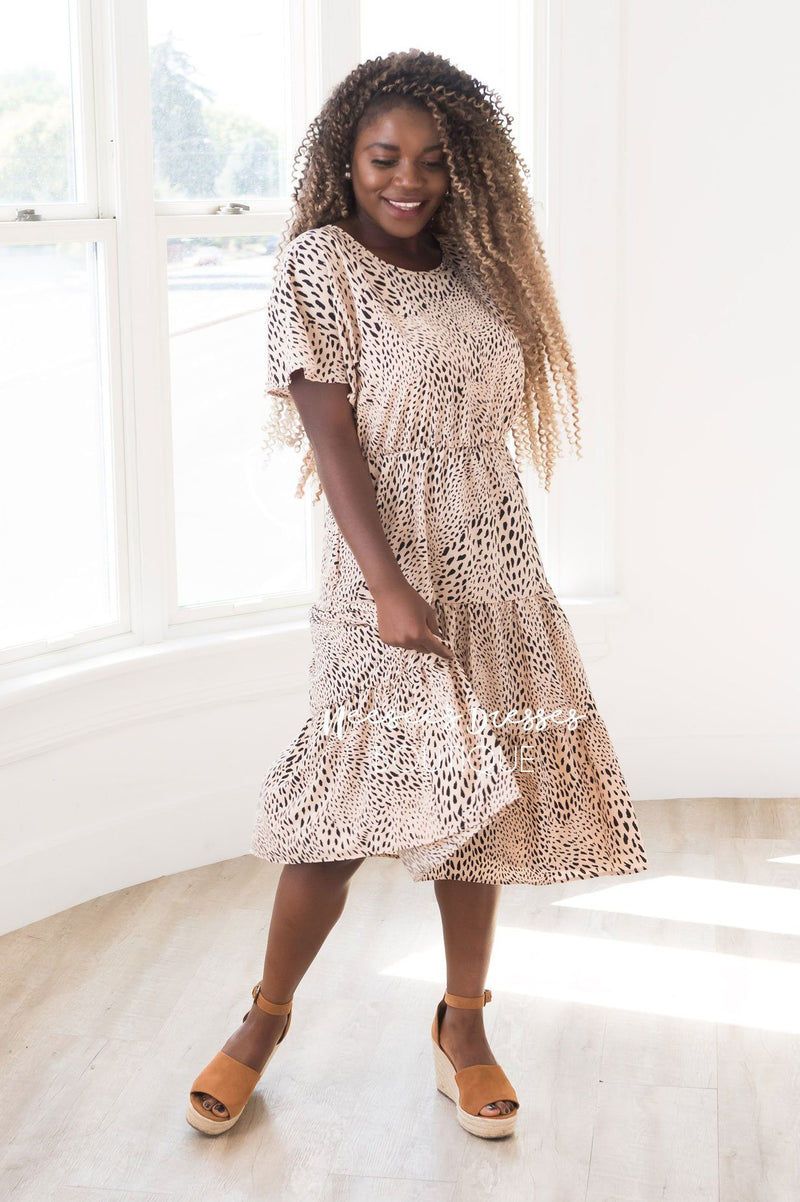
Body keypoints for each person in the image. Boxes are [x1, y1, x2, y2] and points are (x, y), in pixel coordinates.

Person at [187, 48, 648, 1140]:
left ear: (462, 167)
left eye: (433, 161)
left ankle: (464, 1025)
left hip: (492, 560)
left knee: (477, 800)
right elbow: (331, 436)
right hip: (378, 568)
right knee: (337, 807)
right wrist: (389, 587)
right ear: (344, 160)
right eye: (384, 157)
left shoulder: (477, 265)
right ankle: (264, 1018)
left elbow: (479, 427)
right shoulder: (319, 265)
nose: (408, 179)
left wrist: (486, 565)